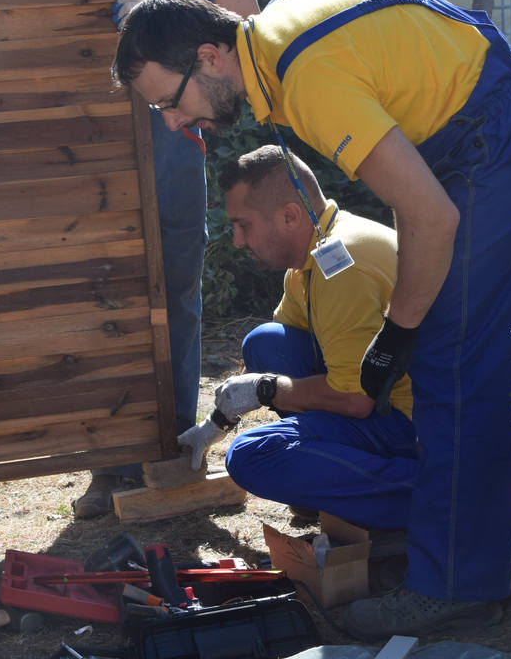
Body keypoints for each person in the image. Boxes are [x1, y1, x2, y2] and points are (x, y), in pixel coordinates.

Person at [110, 0, 511, 639]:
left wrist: (396, 336)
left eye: (170, 101)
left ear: (208, 56)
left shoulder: (306, 78)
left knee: (453, 363)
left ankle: (454, 588)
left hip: (497, 145)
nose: (175, 123)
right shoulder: (281, 28)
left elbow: (429, 216)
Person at [72, 0, 258, 519]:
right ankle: (108, 463)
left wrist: (163, 8)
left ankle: (171, 452)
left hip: (174, 148)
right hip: (88, 147)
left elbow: (248, 37)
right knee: (105, 297)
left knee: (173, 299)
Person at [178, 144, 421, 524]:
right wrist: (216, 424)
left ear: (290, 216)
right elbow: (285, 350)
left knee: (251, 455)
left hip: (418, 424)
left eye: (244, 225)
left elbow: (356, 400)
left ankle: (433, 495)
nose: (238, 241)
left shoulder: (342, 266)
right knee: (265, 343)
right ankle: (331, 482)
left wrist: (265, 389)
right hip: (386, 396)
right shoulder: (316, 251)